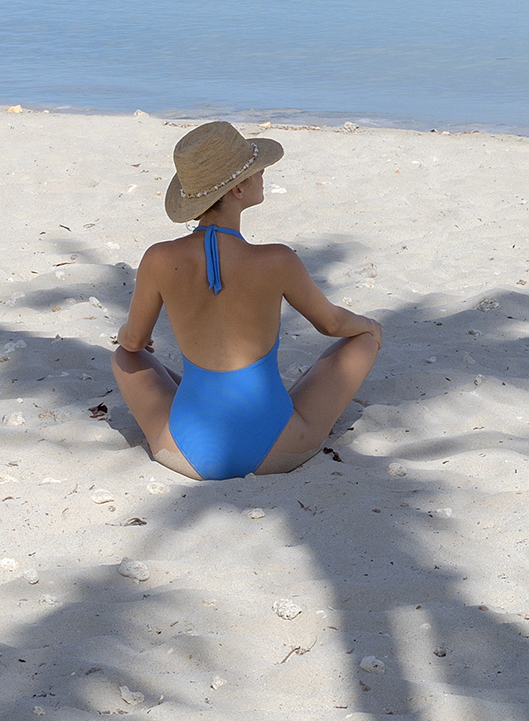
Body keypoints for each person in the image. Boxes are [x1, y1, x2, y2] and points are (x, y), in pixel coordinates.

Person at [112, 120, 382, 480]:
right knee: (363, 340)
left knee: (124, 356)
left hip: (182, 452)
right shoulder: (277, 260)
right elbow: (331, 324)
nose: (264, 173)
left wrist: (133, 338)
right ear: (238, 189)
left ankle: (199, 397)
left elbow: (131, 343)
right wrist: (371, 327)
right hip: (277, 448)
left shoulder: (159, 259)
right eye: (256, 170)